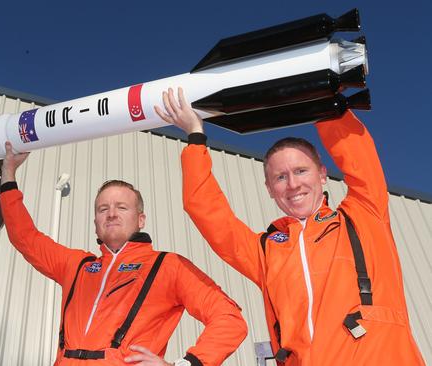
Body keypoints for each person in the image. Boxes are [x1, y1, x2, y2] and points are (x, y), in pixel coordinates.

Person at [155, 87, 425, 365]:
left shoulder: (364, 215)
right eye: (280, 177)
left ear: (322, 175)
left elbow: (359, 158)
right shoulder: (265, 251)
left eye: (300, 171)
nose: (293, 184)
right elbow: (206, 211)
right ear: (270, 189)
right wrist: (195, 136)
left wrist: (324, 101)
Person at [0, 141, 247, 366]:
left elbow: (229, 319)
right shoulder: (77, 265)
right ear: (95, 221)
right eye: (103, 208)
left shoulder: (168, 266)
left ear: (141, 219)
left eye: (122, 207)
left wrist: (186, 364)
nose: (112, 213)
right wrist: (8, 174)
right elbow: (24, 237)